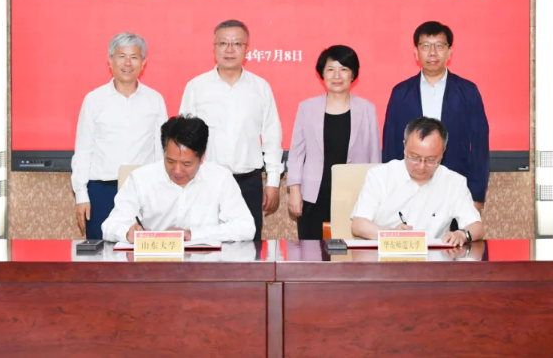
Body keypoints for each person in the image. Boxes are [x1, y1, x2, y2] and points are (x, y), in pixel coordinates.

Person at [180, 19, 283, 241]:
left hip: (249, 183)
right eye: (223, 43)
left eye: (237, 44)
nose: (229, 50)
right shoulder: (196, 87)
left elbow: (272, 137)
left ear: (246, 49)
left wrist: (273, 181)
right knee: (203, 244)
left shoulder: (260, 88)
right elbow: (184, 141)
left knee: (249, 246)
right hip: (205, 183)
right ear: (214, 47)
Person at [382, 21, 489, 211]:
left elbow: (480, 148)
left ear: (449, 52)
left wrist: (477, 195)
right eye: (425, 46)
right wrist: (391, 191)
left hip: (456, 188)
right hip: (409, 190)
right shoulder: (401, 93)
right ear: (416, 52)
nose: (432, 52)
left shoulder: (468, 91)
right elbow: (391, 146)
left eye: (439, 46)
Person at [70, 32, 168, 240]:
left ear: (143, 62)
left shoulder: (155, 100)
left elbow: (161, 150)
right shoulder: (94, 100)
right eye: (121, 56)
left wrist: (162, 191)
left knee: (142, 251)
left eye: (134, 57)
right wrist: (81, 194)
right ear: (110, 60)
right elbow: (83, 151)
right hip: (102, 190)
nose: (127, 63)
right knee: (100, 252)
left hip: (143, 190)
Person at [101, 115, 255, 244]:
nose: (177, 170)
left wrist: (193, 234)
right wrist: (127, 233)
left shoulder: (220, 178)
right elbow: (109, 226)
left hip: (206, 265)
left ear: (202, 158)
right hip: (154, 265)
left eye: (186, 164)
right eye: (170, 161)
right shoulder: (141, 179)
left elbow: (246, 227)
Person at [287, 45, 381, 240]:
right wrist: (294, 190)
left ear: (353, 74)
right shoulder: (307, 108)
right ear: (322, 74)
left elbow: (374, 156)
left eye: (343, 69)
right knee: (312, 251)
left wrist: (375, 196)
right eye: (330, 69)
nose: (337, 76)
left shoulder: (367, 109)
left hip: (354, 196)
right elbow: (296, 154)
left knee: (348, 252)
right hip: (314, 195)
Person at [351, 117, 484, 247]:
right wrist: (391, 234)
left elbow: (477, 227)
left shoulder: (454, 182)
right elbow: (358, 225)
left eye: (431, 160)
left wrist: (463, 234)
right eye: (414, 157)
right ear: (404, 146)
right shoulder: (380, 176)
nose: (421, 166)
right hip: (384, 258)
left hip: (433, 258)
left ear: (443, 151)